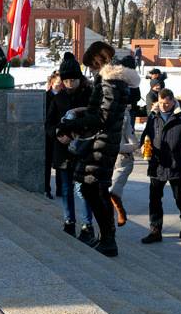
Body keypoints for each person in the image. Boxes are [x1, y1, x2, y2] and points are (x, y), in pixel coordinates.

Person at [57, 41, 139, 257]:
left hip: (100, 144)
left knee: (93, 189)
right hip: (101, 142)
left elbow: (103, 117)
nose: (91, 71)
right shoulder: (110, 81)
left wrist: (74, 123)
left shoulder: (109, 83)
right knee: (92, 189)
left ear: (99, 62)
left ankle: (108, 239)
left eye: (92, 66)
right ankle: (106, 237)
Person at [45, 53, 93, 239]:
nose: (70, 84)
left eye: (73, 80)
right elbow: (48, 124)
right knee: (65, 189)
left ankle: (87, 224)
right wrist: (58, 134)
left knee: (82, 189)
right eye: (66, 81)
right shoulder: (58, 98)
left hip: (83, 149)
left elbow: (94, 120)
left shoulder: (89, 96)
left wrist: (78, 133)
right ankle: (69, 221)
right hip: (63, 149)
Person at [140, 88, 181, 244]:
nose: (163, 106)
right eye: (160, 103)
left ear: (172, 101)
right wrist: (143, 145)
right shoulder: (153, 116)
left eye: (166, 103)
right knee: (155, 199)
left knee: (179, 197)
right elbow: (146, 134)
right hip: (157, 163)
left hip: (177, 163)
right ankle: (155, 230)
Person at [110, 55, 141, 227]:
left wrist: (118, 147)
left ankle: (120, 211)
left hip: (122, 159)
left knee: (112, 191)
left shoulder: (125, 116)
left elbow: (134, 143)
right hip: (106, 158)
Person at [44, 71, 62, 199]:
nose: (60, 87)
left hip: (61, 133)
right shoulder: (45, 97)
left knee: (61, 163)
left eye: (61, 85)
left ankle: (60, 188)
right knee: (47, 162)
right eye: (57, 84)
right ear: (51, 84)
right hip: (49, 134)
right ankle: (46, 188)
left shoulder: (65, 97)